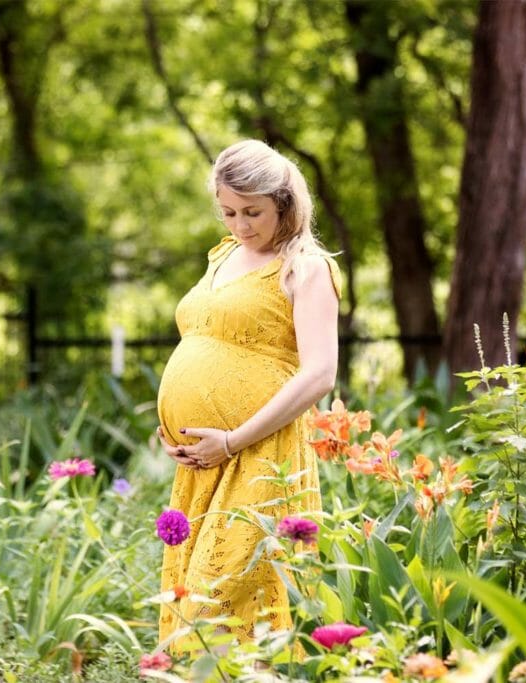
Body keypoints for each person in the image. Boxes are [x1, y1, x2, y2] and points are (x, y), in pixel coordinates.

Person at [155, 139, 342, 650]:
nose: (240, 225)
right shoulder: (223, 255)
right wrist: (173, 427)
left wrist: (233, 438)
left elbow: (321, 373)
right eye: (229, 211)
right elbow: (203, 342)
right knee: (190, 604)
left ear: (284, 202)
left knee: (226, 602)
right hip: (201, 463)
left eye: (253, 212)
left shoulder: (305, 267)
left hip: (259, 455)